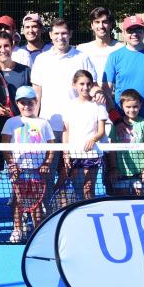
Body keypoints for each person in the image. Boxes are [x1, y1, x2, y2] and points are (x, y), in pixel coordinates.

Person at [30, 19, 98, 185]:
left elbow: (92, 86)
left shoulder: (82, 57)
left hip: (76, 129)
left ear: (70, 35)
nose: (61, 37)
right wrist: (34, 121)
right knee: (46, 172)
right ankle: (47, 210)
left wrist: (100, 93)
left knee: (72, 175)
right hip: (48, 126)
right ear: (51, 35)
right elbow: (36, 94)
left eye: (64, 33)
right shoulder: (41, 59)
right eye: (57, 34)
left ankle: (70, 208)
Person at [0, 31, 31, 221]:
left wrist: (18, 113)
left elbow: (31, 100)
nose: (3, 50)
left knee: (20, 172)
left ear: (12, 46)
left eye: (6, 46)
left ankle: (23, 212)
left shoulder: (25, 71)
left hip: (20, 131)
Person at [1, 86, 54, 242]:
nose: (26, 106)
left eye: (30, 102)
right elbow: (4, 146)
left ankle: (37, 231)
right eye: (23, 102)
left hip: (38, 170)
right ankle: (17, 229)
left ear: (36, 102)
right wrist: (12, 164)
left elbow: (52, 146)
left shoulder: (44, 124)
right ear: (17, 104)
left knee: (36, 202)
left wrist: (47, 164)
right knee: (17, 201)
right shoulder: (11, 122)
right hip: (18, 170)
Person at [104, 15, 144, 124]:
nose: (134, 34)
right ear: (124, 33)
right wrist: (116, 118)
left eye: (138, 30)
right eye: (130, 30)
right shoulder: (114, 57)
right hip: (123, 122)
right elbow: (106, 91)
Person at [61, 70, 107, 203]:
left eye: (88, 84)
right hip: (75, 153)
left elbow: (101, 131)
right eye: (81, 84)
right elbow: (66, 131)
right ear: (74, 85)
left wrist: (93, 139)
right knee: (77, 189)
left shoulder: (98, 105)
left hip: (92, 154)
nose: (85, 87)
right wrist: (66, 153)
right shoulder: (69, 105)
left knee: (88, 188)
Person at [106, 89, 144, 196]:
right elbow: (112, 149)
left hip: (140, 172)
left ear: (140, 105)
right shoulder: (116, 125)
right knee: (122, 200)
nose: (132, 110)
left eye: (135, 106)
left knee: (139, 199)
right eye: (128, 107)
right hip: (120, 172)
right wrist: (113, 168)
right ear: (122, 106)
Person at [76, 7, 123, 91]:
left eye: (104, 22)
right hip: (90, 98)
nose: (101, 26)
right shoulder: (82, 49)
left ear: (111, 24)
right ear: (92, 25)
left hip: (115, 100)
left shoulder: (121, 49)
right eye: (97, 22)